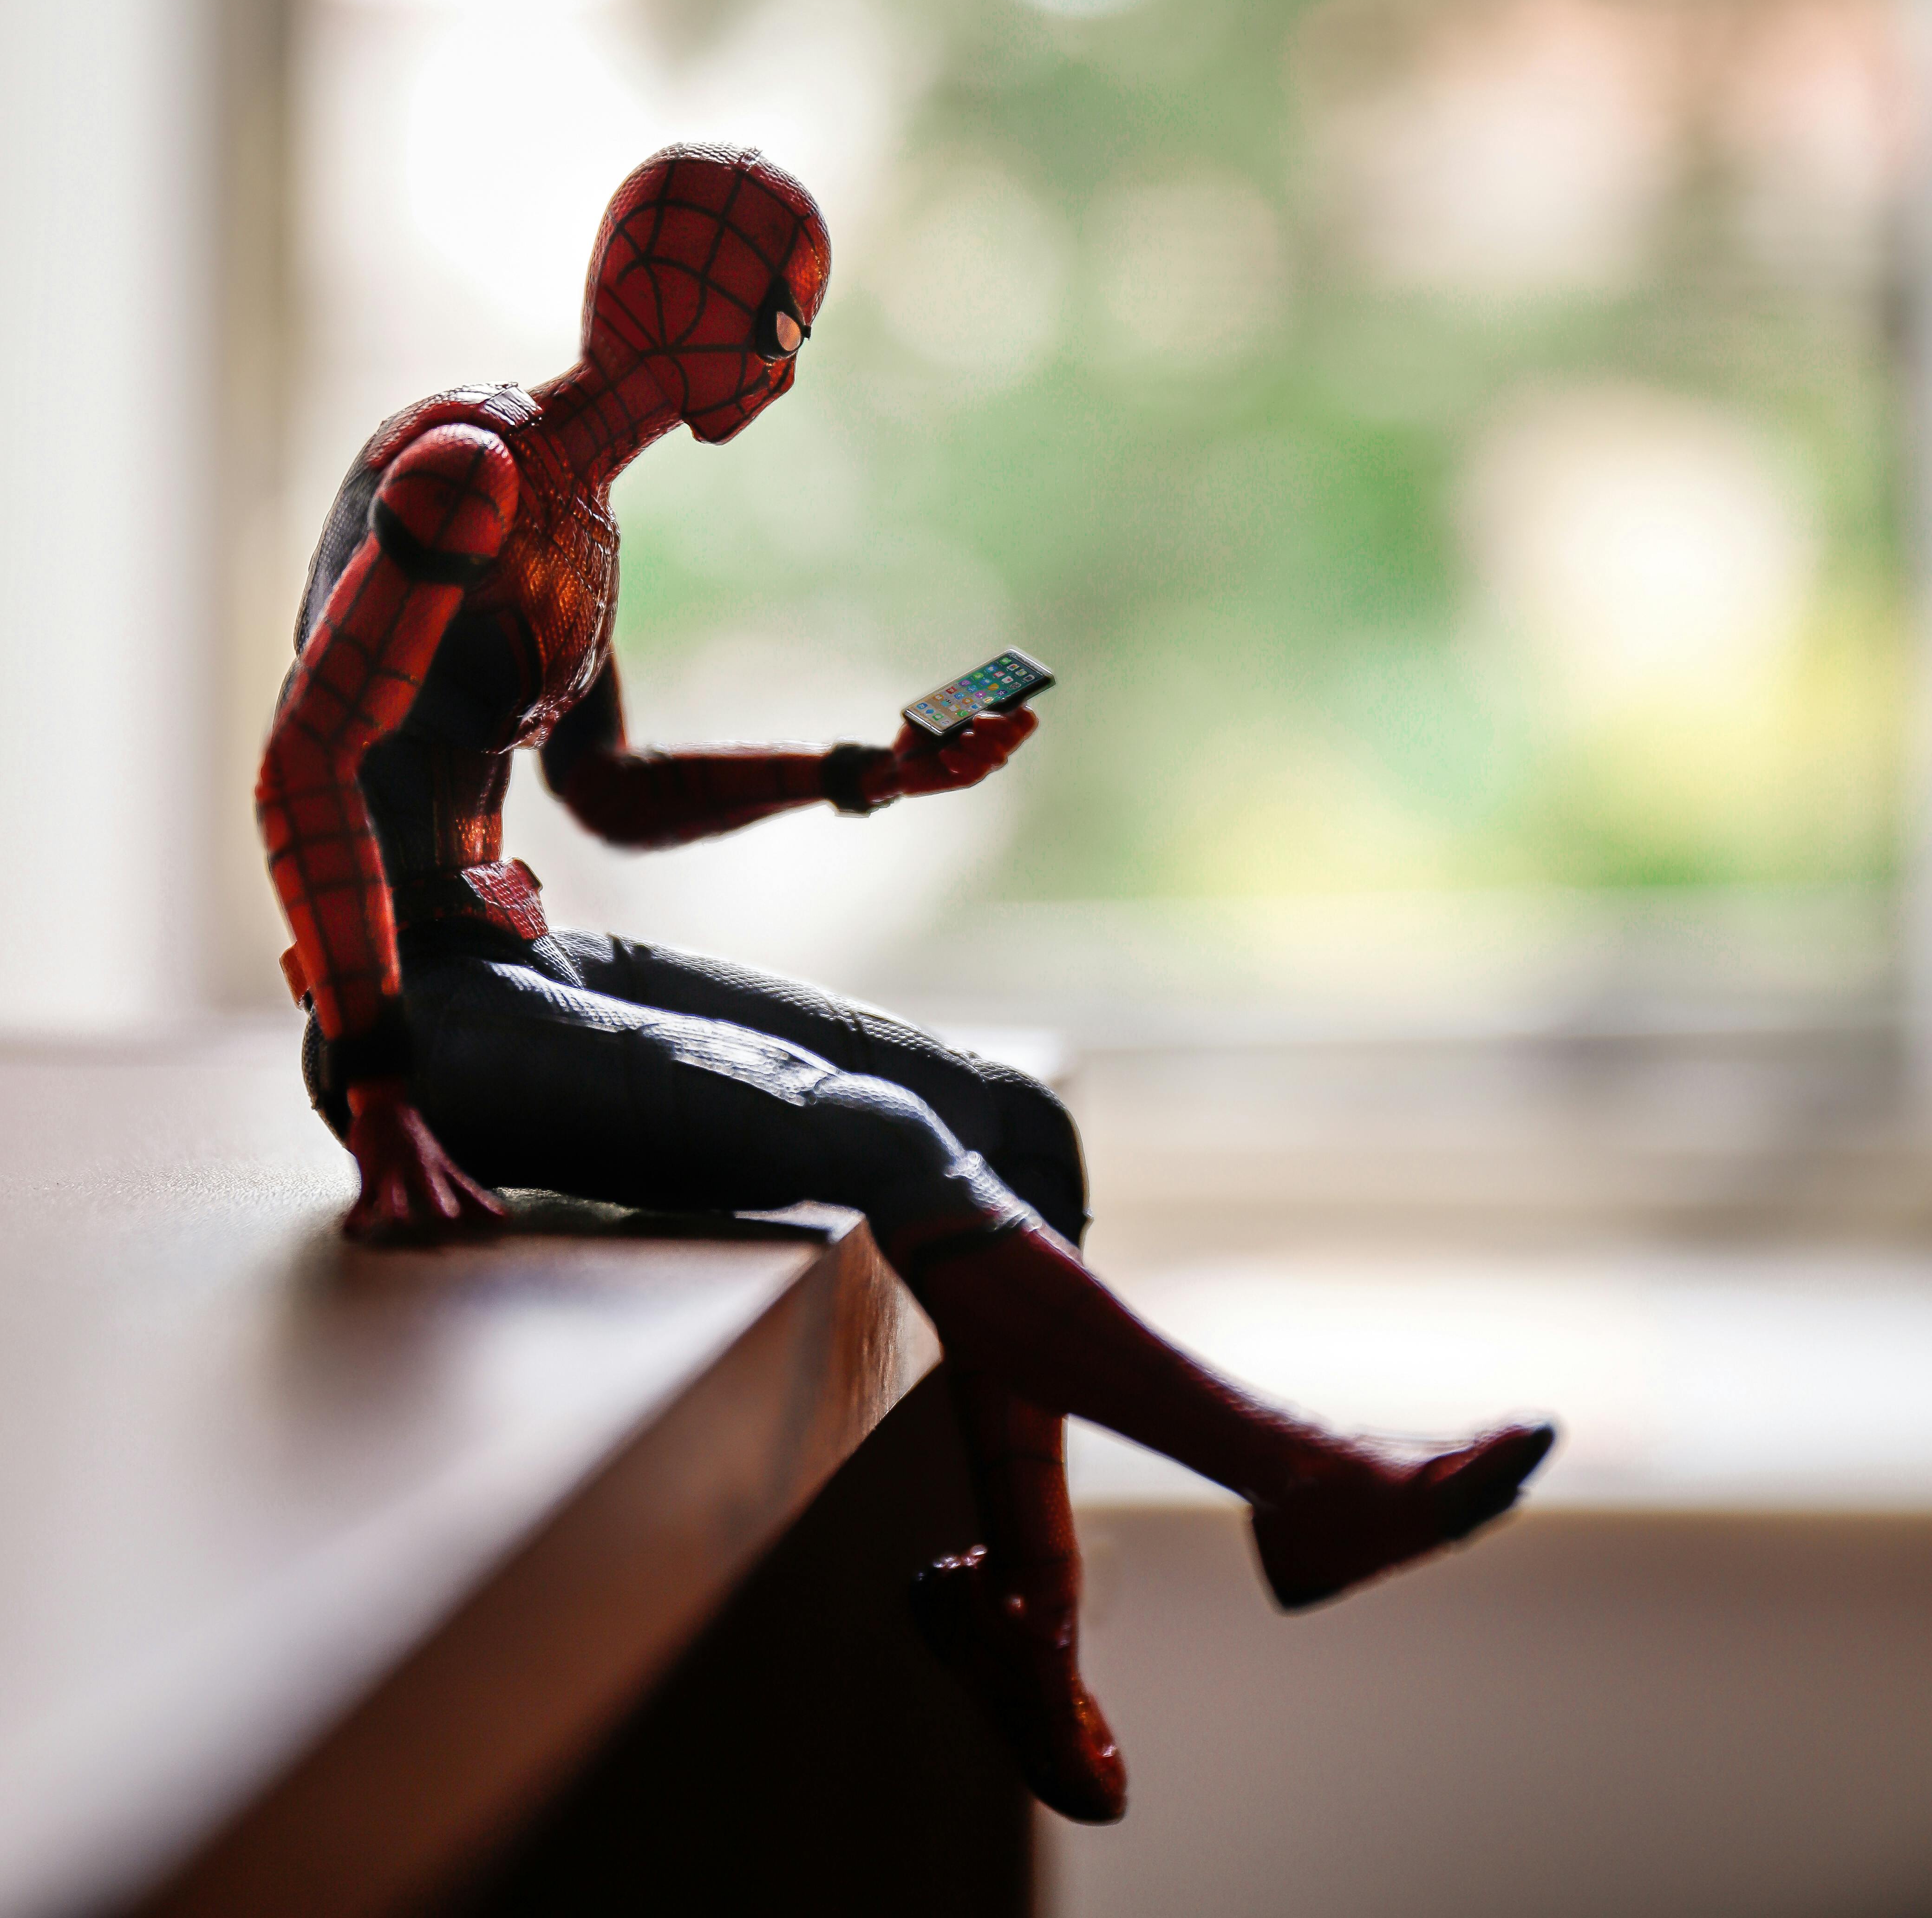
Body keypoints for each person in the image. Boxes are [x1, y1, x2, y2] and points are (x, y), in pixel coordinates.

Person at [258, 141, 1553, 1826]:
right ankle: (1295, 1477)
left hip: (512, 944)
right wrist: (376, 1084)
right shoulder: (465, 482)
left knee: (1009, 1117)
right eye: (773, 323)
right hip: (421, 1005)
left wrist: (866, 773)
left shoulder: (574, 511)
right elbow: (307, 768)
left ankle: (1032, 1619)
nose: (786, 366)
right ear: (672, 305)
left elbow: (612, 792)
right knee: (868, 1130)